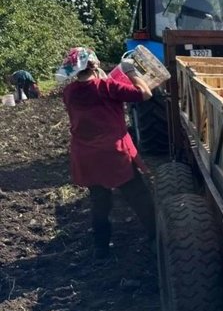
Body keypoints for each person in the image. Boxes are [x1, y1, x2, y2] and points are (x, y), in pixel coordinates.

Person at [58, 47, 160, 259]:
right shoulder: (107, 87)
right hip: (113, 153)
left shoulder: (69, 93)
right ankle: (155, 238)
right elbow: (145, 94)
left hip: (86, 154)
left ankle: (101, 247)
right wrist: (131, 72)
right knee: (139, 196)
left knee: (99, 200)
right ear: (94, 65)